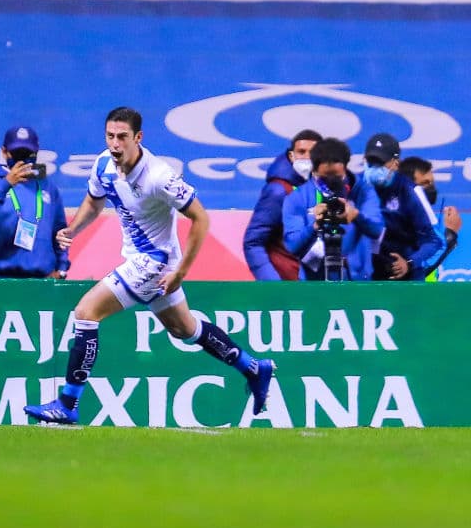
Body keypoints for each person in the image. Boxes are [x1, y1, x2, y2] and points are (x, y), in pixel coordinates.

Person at [22, 107, 275, 425]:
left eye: (122, 137)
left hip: (154, 263)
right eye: (110, 136)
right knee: (185, 329)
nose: (115, 144)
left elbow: (201, 218)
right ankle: (254, 367)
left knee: (86, 314)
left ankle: (68, 403)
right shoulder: (104, 164)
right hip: (143, 261)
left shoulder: (159, 176)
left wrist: (180, 272)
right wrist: (74, 229)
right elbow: (94, 200)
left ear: (138, 138)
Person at [0, 126, 70, 279]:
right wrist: (6, 184)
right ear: (4, 152)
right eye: (16, 153)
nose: (22, 159)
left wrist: (61, 269)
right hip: (0, 279)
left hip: (42, 280)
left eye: (27, 153)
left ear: (36, 153)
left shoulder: (46, 186)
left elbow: (60, 232)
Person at [282, 138, 383, 281]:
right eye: (324, 178)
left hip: (358, 284)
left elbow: (377, 230)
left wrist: (356, 216)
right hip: (315, 285)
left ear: (346, 168)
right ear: (314, 170)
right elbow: (292, 245)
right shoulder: (297, 198)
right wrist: (314, 226)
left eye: (336, 177)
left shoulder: (364, 192)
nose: (331, 183)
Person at [243, 129, 323, 280]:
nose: (307, 157)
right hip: (288, 286)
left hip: (317, 286)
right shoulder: (278, 191)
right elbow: (253, 243)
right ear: (291, 156)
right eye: (301, 152)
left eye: (313, 152)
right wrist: (274, 285)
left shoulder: (326, 189)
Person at [361, 134, 442, 281]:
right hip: (367, 278)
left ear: (395, 164)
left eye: (381, 162)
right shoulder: (357, 186)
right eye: (371, 161)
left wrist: (409, 263)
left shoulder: (410, 191)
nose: (375, 167)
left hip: (406, 279)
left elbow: (433, 240)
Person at [399, 156, 461, 279]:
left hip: (423, 294)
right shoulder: (404, 219)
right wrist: (450, 234)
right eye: (425, 183)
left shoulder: (426, 217)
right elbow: (420, 265)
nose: (431, 188)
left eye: (432, 182)